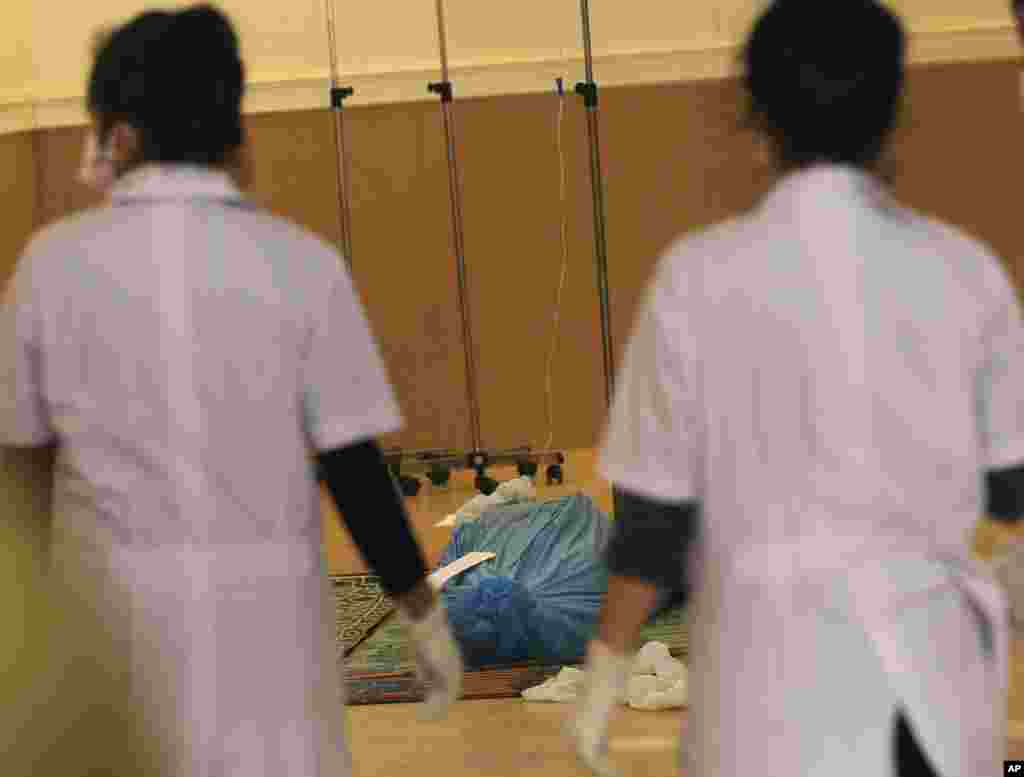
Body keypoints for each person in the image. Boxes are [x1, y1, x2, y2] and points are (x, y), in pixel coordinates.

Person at [0, 5, 461, 776]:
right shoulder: (304, 266)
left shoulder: (51, 268)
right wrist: (420, 607)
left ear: (118, 134)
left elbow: (19, 471)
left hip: (105, 637)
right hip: (270, 635)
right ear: (233, 126)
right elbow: (353, 467)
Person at [569, 1, 1022, 776]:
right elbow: (1014, 487)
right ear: (897, 116)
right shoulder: (964, 272)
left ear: (753, 119)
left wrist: (604, 672)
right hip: (926, 695)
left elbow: (653, 525)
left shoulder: (695, 279)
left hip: (763, 701)